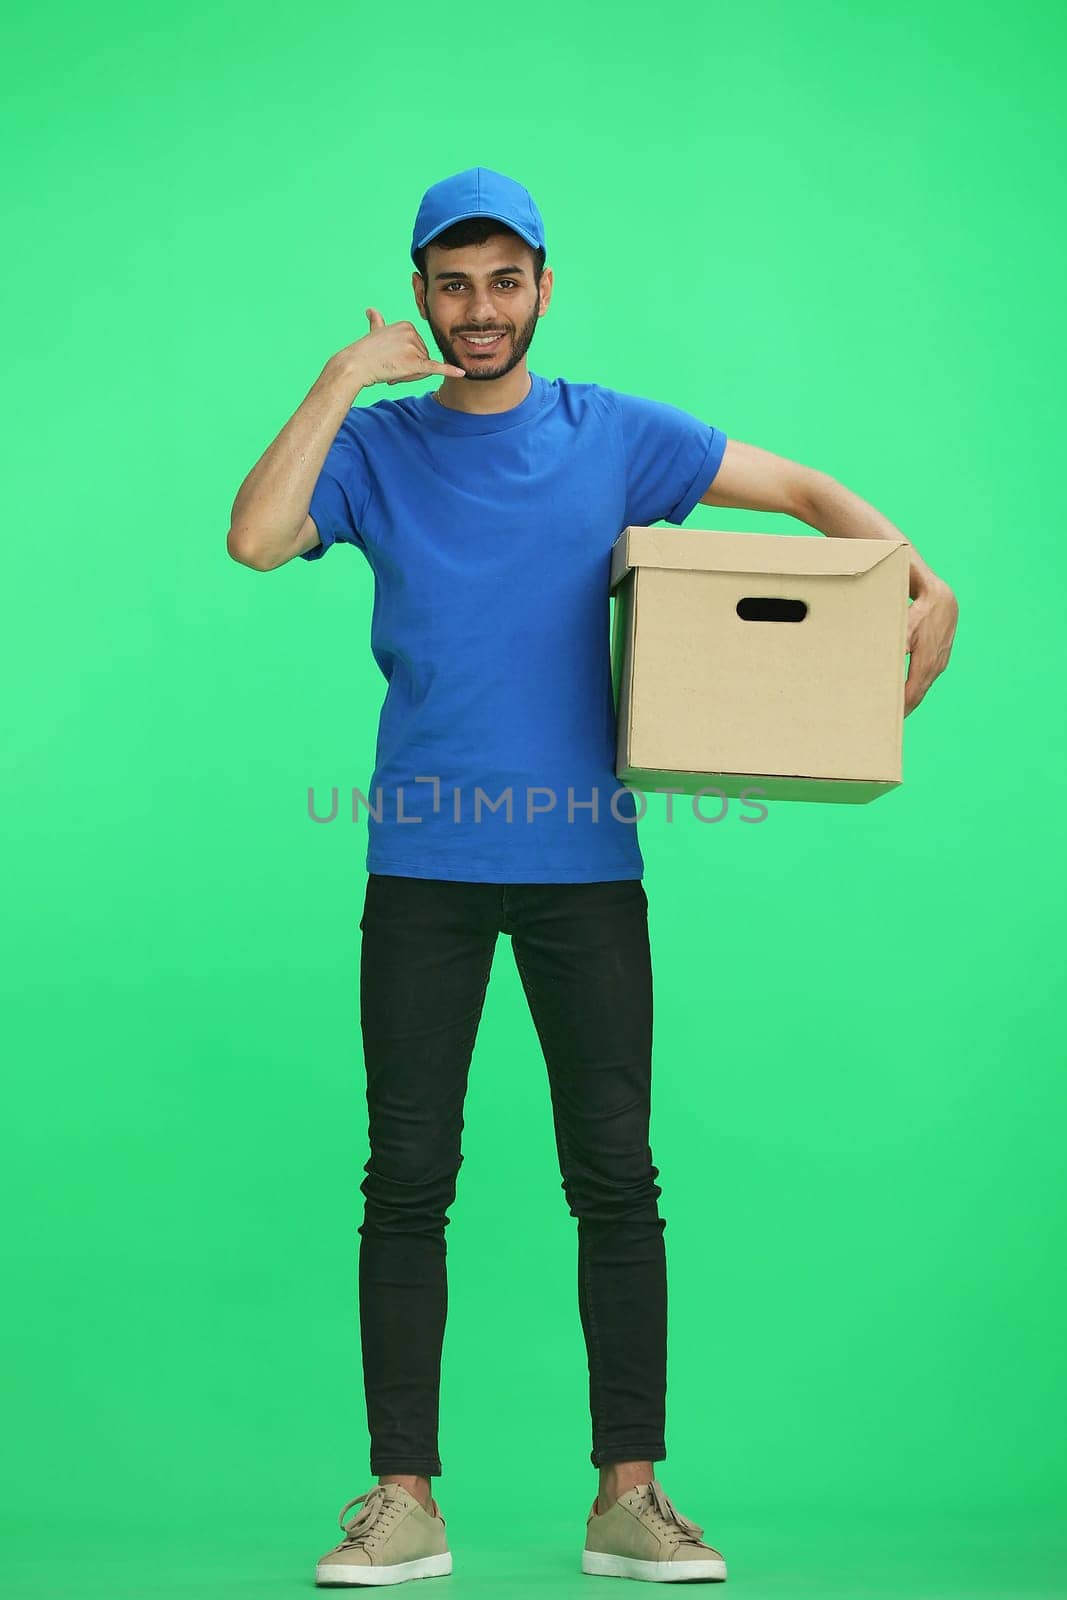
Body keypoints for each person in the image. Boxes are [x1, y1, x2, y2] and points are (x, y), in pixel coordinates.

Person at [227, 167, 959, 1587]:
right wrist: (337, 374)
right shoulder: (375, 450)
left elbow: (801, 490)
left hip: (584, 866)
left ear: (544, 289)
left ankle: (631, 1497)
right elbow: (257, 537)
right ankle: (403, 1501)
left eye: (505, 281)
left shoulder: (611, 433)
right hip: (425, 862)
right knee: (408, 1177)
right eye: (451, 283)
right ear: (421, 293)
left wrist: (924, 578)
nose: (478, 309)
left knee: (615, 1177)